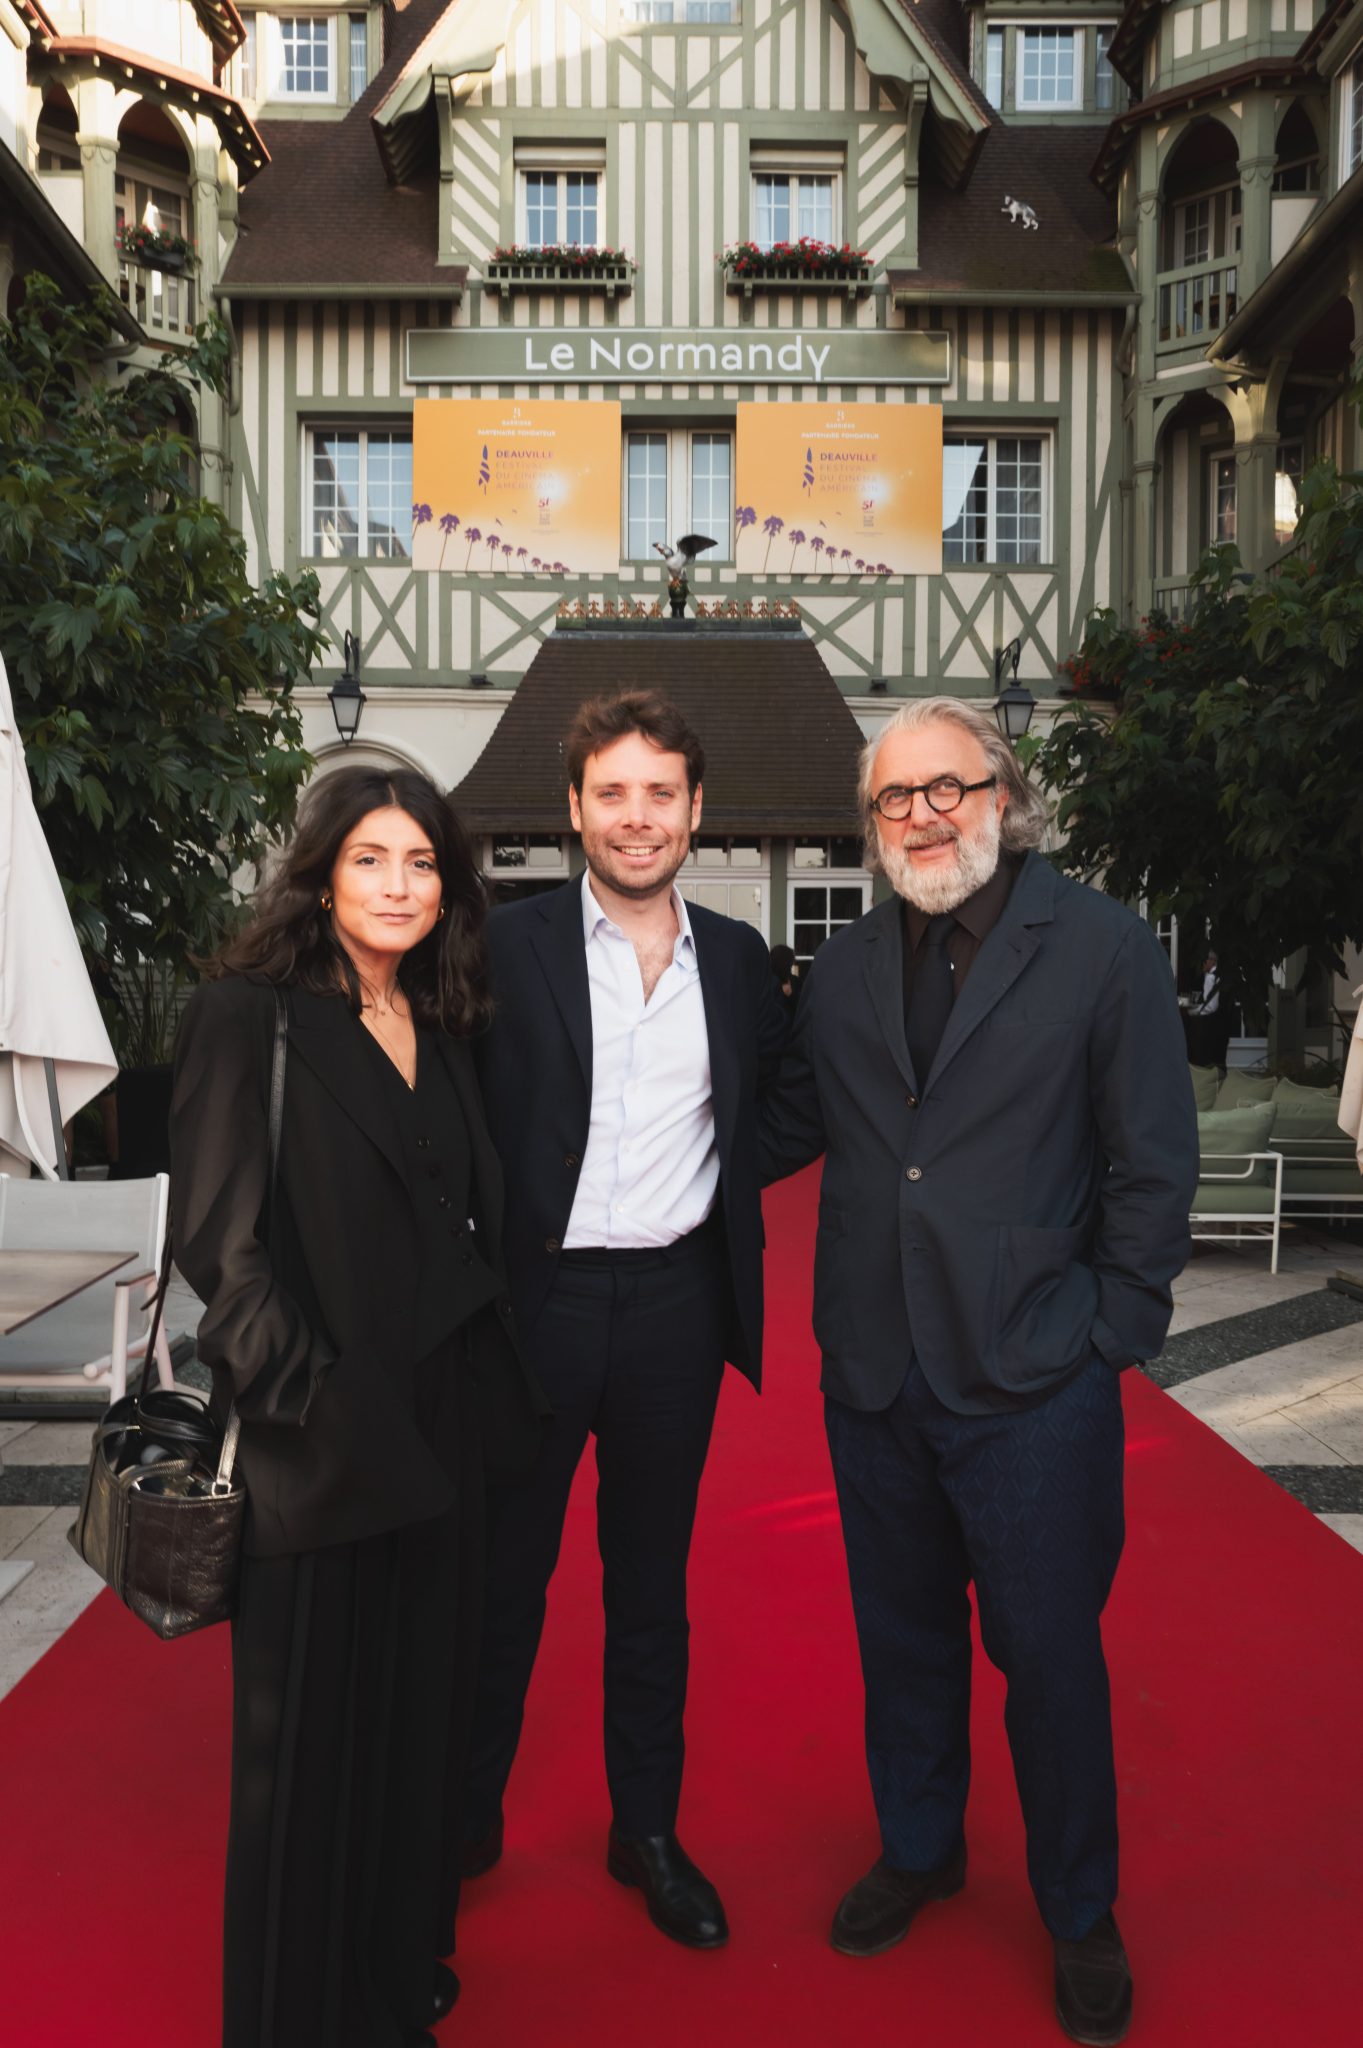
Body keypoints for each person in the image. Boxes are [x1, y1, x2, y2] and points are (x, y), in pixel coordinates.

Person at [759, 698, 1197, 2047]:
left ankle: (1078, 1907)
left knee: (1048, 1654)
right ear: (871, 822)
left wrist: (1110, 1330)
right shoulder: (840, 968)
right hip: (873, 1369)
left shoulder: (1102, 947)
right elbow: (788, 1123)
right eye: (894, 798)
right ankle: (920, 1845)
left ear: (1002, 794)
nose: (922, 816)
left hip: (1033, 1378)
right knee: (900, 1639)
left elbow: (1151, 1160)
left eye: (946, 787)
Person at [170, 765, 546, 2048]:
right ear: (321, 873)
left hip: (448, 1435)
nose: (398, 885)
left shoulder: (442, 1018)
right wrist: (317, 1407)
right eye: (371, 858)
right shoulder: (246, 1017)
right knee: (307, 1763)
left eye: (422, 862)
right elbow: (222, 1255)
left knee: (412, 1739)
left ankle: (389, 1990)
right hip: (320, 1442)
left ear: (450, 888)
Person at [460, 689, 788, 1947]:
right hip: (534, 1305)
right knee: (502, 1583)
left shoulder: (740, 960)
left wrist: (726, 1184)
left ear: (695, 809)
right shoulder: (505, 945)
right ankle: (458, 1823)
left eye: (660, 792)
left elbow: (785, 1095)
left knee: (651, 1589)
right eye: (612, 792)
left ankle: (644, 1827)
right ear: (575, 809)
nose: (636, 816)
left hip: (672, 1308)